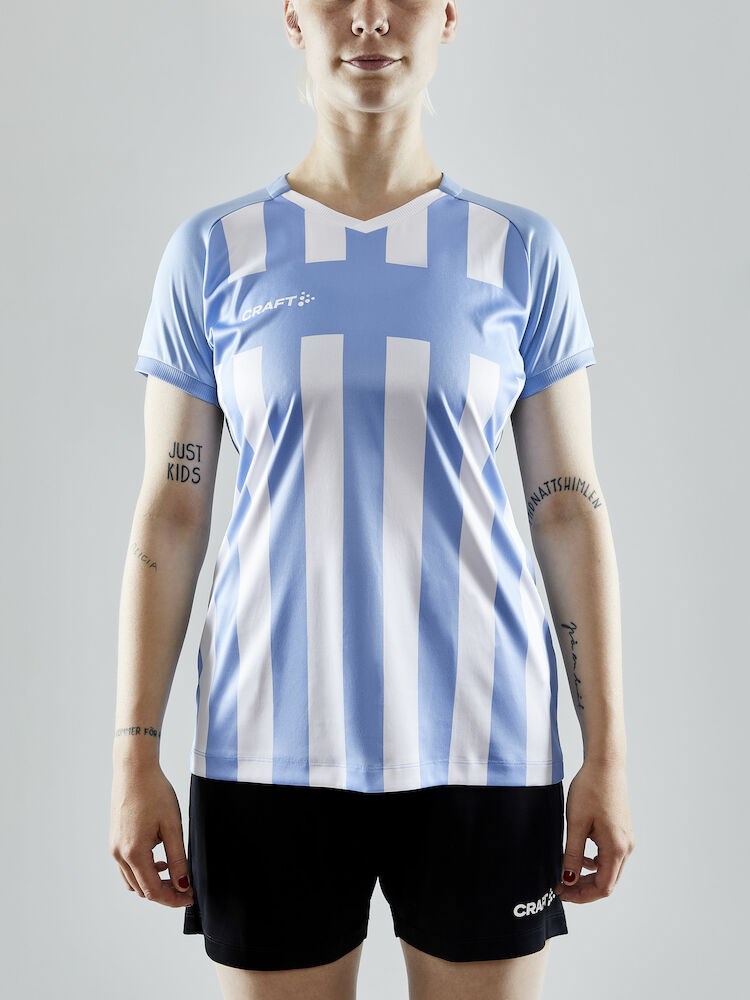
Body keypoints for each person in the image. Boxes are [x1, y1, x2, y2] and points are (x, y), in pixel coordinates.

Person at [109, 2, 635, 998]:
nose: (368, 19)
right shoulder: (214, 252)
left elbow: (568, 506)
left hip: (486, 746)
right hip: (264, 747)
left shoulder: (519, 250)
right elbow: (171, 514)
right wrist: (133, 751)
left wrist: (605, 749)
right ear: (291, 18)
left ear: (447, 17)